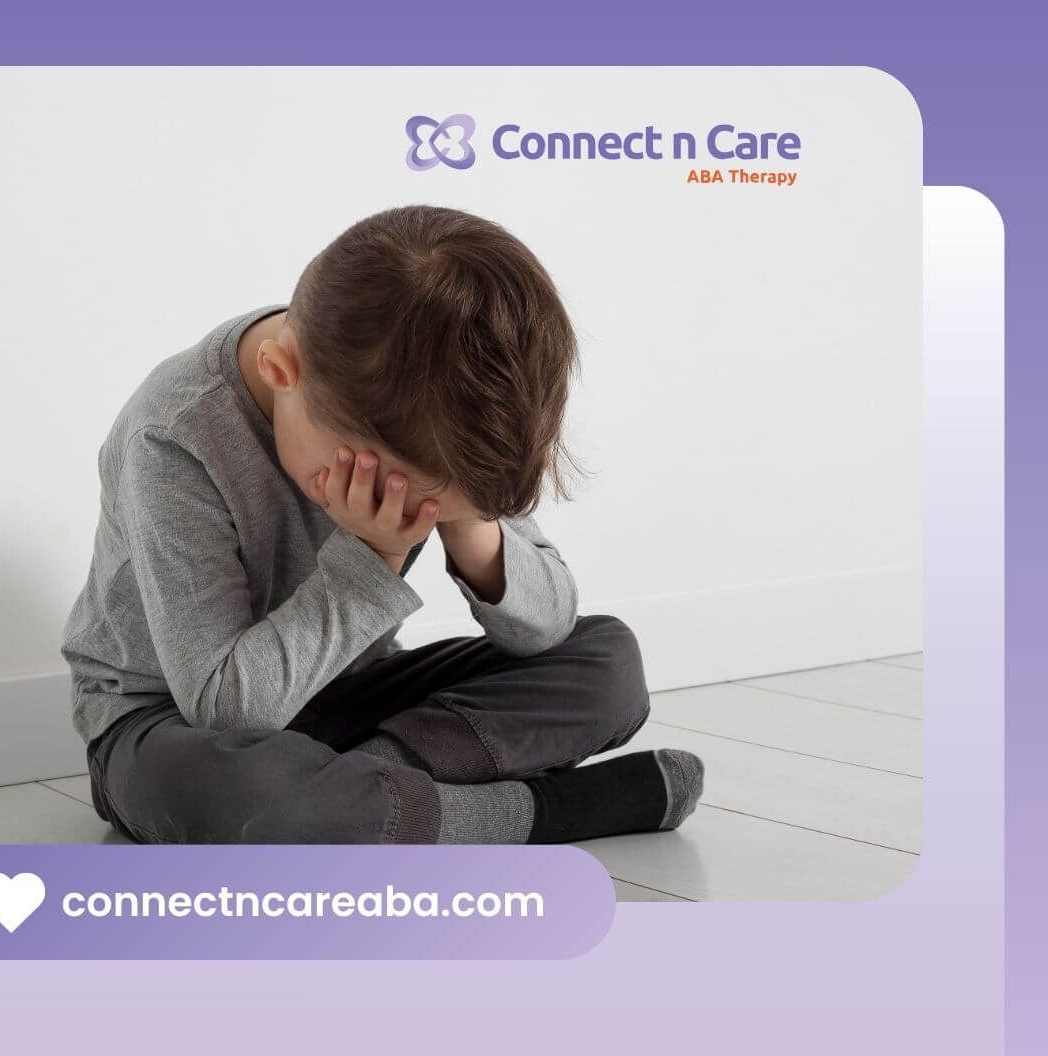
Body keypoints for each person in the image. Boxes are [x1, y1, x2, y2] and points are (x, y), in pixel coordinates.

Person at [58, 204, 703, 844]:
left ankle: (363, 801)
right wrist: (374, 552)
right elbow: (227, 709)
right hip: (173, 723)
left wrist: (471, 526)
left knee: (607, 661)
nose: (418, 516)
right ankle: (541, 811)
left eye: (438, 507)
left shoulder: (445, 408)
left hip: (354, 694)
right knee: (239, 790)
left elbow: (548, 627)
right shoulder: (175, 435)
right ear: (281, 373)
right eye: (391, 492)